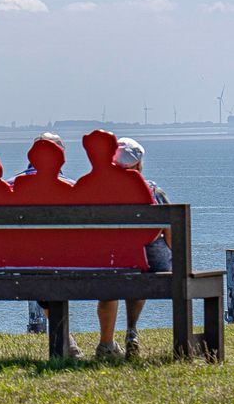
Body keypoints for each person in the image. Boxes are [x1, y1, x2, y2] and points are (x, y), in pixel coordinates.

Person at [73, 129, 154, 360]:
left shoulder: (83, 183)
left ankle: (107, 343)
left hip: (92, 261)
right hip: (130, 259)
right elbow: (152, 224)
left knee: (110, 282)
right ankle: (111, 342)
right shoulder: (134, 181)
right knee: (132, 273)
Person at [12, 135, 84, 359]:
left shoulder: (8, 187)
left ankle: (66, 339)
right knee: (50, 265)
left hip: (16, 260)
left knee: (40, 263)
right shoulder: (73, 189)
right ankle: (83, 341)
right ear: (61, 157)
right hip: (64, 261)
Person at [106, 137, 172, 358]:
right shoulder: (153, 191)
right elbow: (171, 231)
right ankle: (131, 329)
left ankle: (106, 342)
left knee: (125, 267)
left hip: (111, 262)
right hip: (152, 264)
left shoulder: (101, 192)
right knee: (142, 261)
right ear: (139, 164)